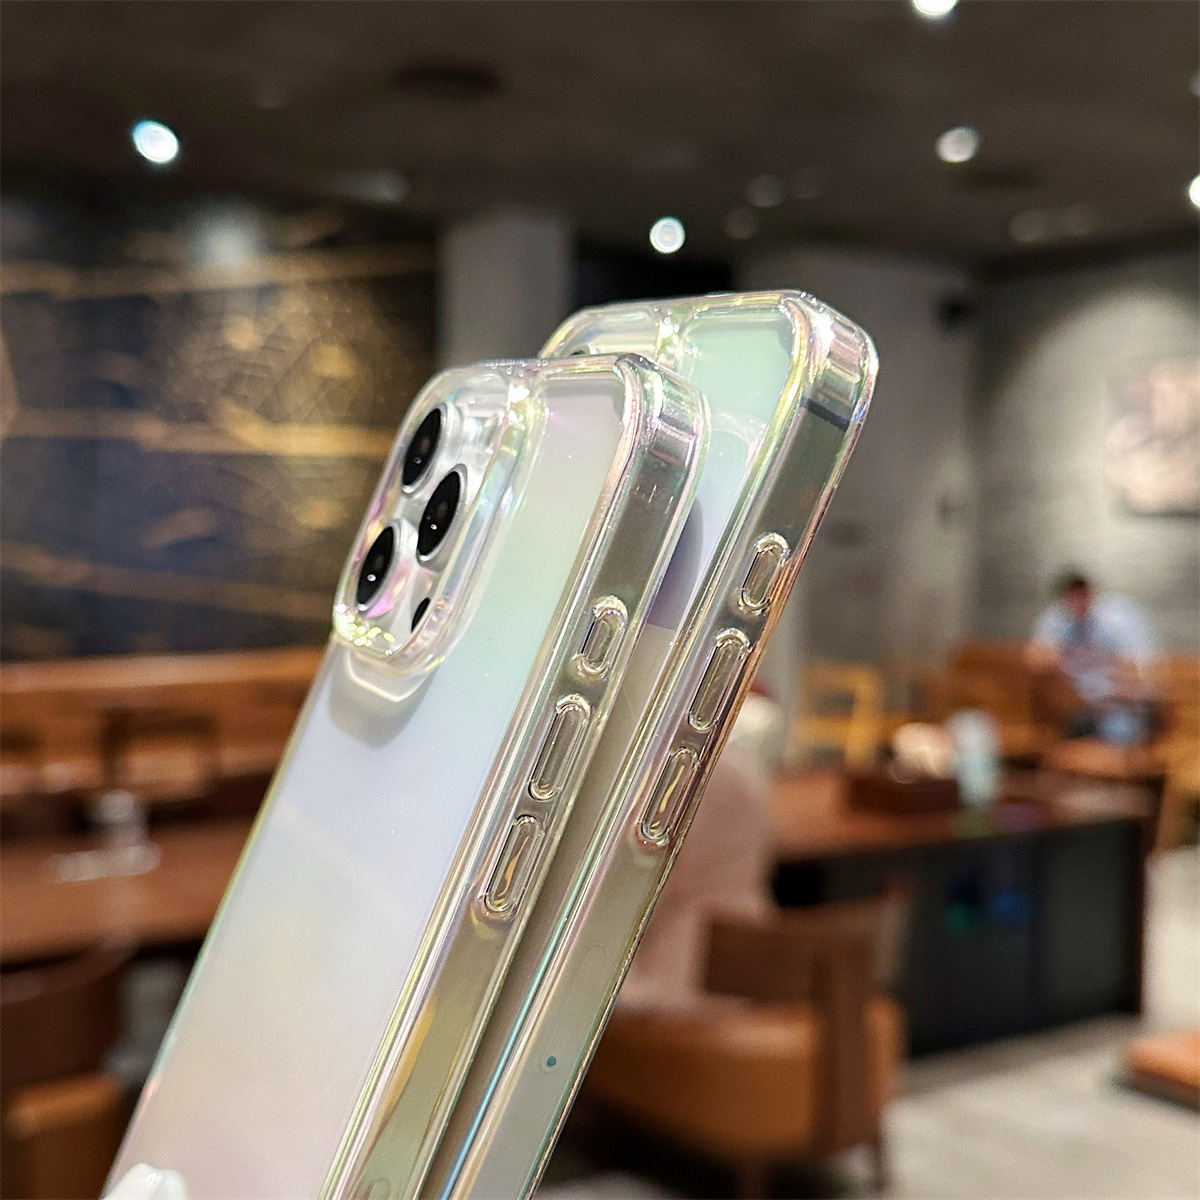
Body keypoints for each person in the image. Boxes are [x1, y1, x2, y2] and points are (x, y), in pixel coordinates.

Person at [1026, 571, 1158, 745]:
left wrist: (1110, 692)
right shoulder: (1060, 620)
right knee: (1065, 731)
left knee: (1117, 731)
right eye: (1072, 595)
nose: (1079, 600)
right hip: (1081, 708)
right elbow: (1035, 658)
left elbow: (1138, 673)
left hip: (1120, 709)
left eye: (1082, 594)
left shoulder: (1118, 618)